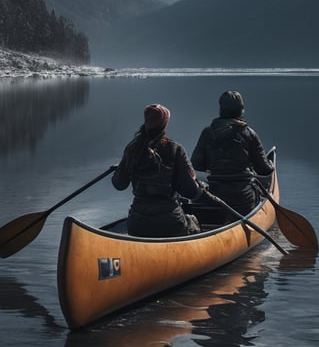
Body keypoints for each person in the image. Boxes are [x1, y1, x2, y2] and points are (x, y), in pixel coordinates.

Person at [112, 103, 210, 237]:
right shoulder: (175, 150)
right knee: (194, 222)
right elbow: (191, 192)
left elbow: (119, 184)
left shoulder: (132, 149)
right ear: (164, 124)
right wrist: (200, 188)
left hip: (138, 224)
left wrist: (121, 169)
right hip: (170, 224)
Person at [191, 90, 273, 215]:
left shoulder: (207, 133)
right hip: (243, 198)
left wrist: (215, 166)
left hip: (215, 195)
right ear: (241, 110)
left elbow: (196, 164)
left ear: (221, 109)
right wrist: (271, 165)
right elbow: (263, 170)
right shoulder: (249, 133)